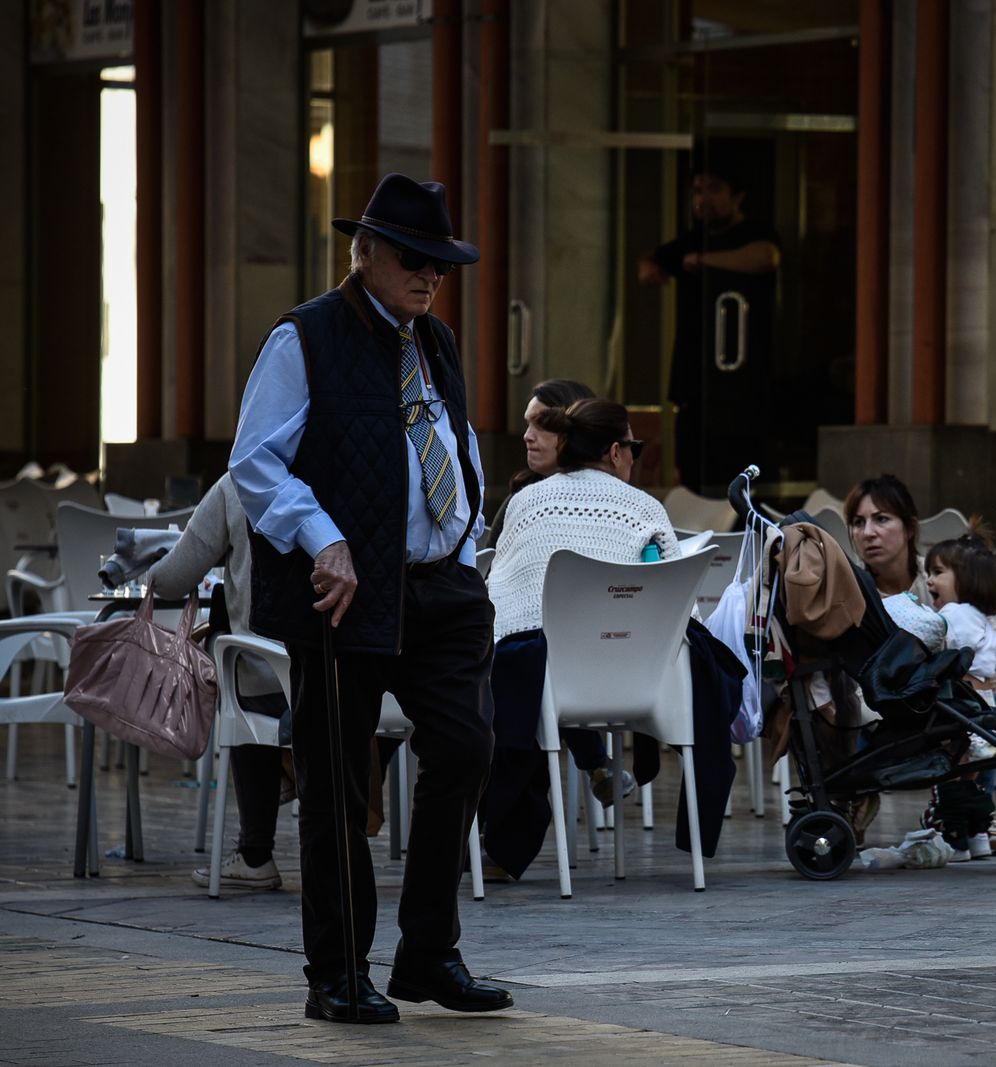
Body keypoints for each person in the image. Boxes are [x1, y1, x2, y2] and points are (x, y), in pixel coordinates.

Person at [230, 173, 511, 1024]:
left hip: (441, 589)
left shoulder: (438, 339)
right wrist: (326, 539)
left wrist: (464, 531)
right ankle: (337, 971)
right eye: (414, 259)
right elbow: (255, 463)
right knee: (336, 786)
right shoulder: (304, 337)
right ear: (365, 252)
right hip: (343, 596)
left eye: (442, 265)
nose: (429, 277)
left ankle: (427, 952)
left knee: (464, 747)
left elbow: (452, 438)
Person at [480, 397, 680, 875]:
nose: (635, 455)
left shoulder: (527, 501)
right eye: (634, 446)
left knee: (524, 659)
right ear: (615, 451)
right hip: (639, 682)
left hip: (545, 681)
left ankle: (498, 842)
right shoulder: (646, 509)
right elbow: (681, 600)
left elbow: (498, 594)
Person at [844, 475, 996, 855]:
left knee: (980, 683)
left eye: (882, 519)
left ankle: (973, 806)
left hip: (950, 708)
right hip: (885, 710)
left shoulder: (946, 578)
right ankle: (853, 799)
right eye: (858, 523)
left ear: (909, 528)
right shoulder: (853, 593)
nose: (868, 533)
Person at [145, 473, 292, 891]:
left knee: (240, 672)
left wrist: (144, 569)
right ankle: (299, 775)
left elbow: (172, 578)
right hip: (374, 687)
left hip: (271, 684)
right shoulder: (350, 474)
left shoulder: (240, 483)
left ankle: (255, 852)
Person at [638, 147, 781, 494]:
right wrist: (655, 268)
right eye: (698, 191)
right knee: (697, 478)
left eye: (714, 190)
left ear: (738, 196)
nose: (703, 200)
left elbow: (766, 257)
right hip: (696, 383)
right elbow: (649, 265)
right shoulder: (691, 239)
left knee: (742, 476)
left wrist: (704, 260)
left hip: (743, 381)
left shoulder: (754, 235)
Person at [923, 533, 996, 860]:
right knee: (971, 777)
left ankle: (955, 836)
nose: (929, 580)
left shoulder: (954, 615)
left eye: (938, 572)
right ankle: (979, 836)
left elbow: (930, 642)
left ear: (967, 580)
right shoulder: (983, 619)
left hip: (958, 711)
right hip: (984, 710)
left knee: (951, 775)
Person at [484, 378, 596, 549]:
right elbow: (490, 567)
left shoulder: (608, 498)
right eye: (528, 424)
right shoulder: (520, 498)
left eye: (542, 425)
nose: (527, 436)